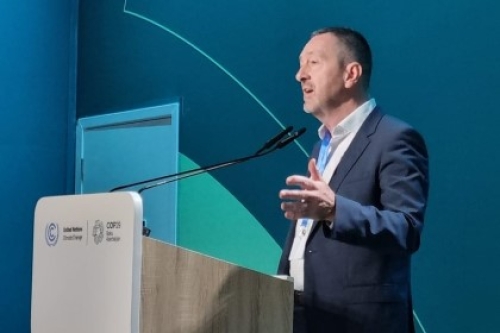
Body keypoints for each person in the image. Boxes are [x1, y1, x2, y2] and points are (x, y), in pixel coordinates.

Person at [278, 27, 429, 333]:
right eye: (300, 64)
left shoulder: (395, 139)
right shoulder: (321, 146)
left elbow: (406, 229)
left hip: (358, 322)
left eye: (313, 63)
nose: (300, 75)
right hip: (302, 314)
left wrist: (335, 209)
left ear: (351, 74)